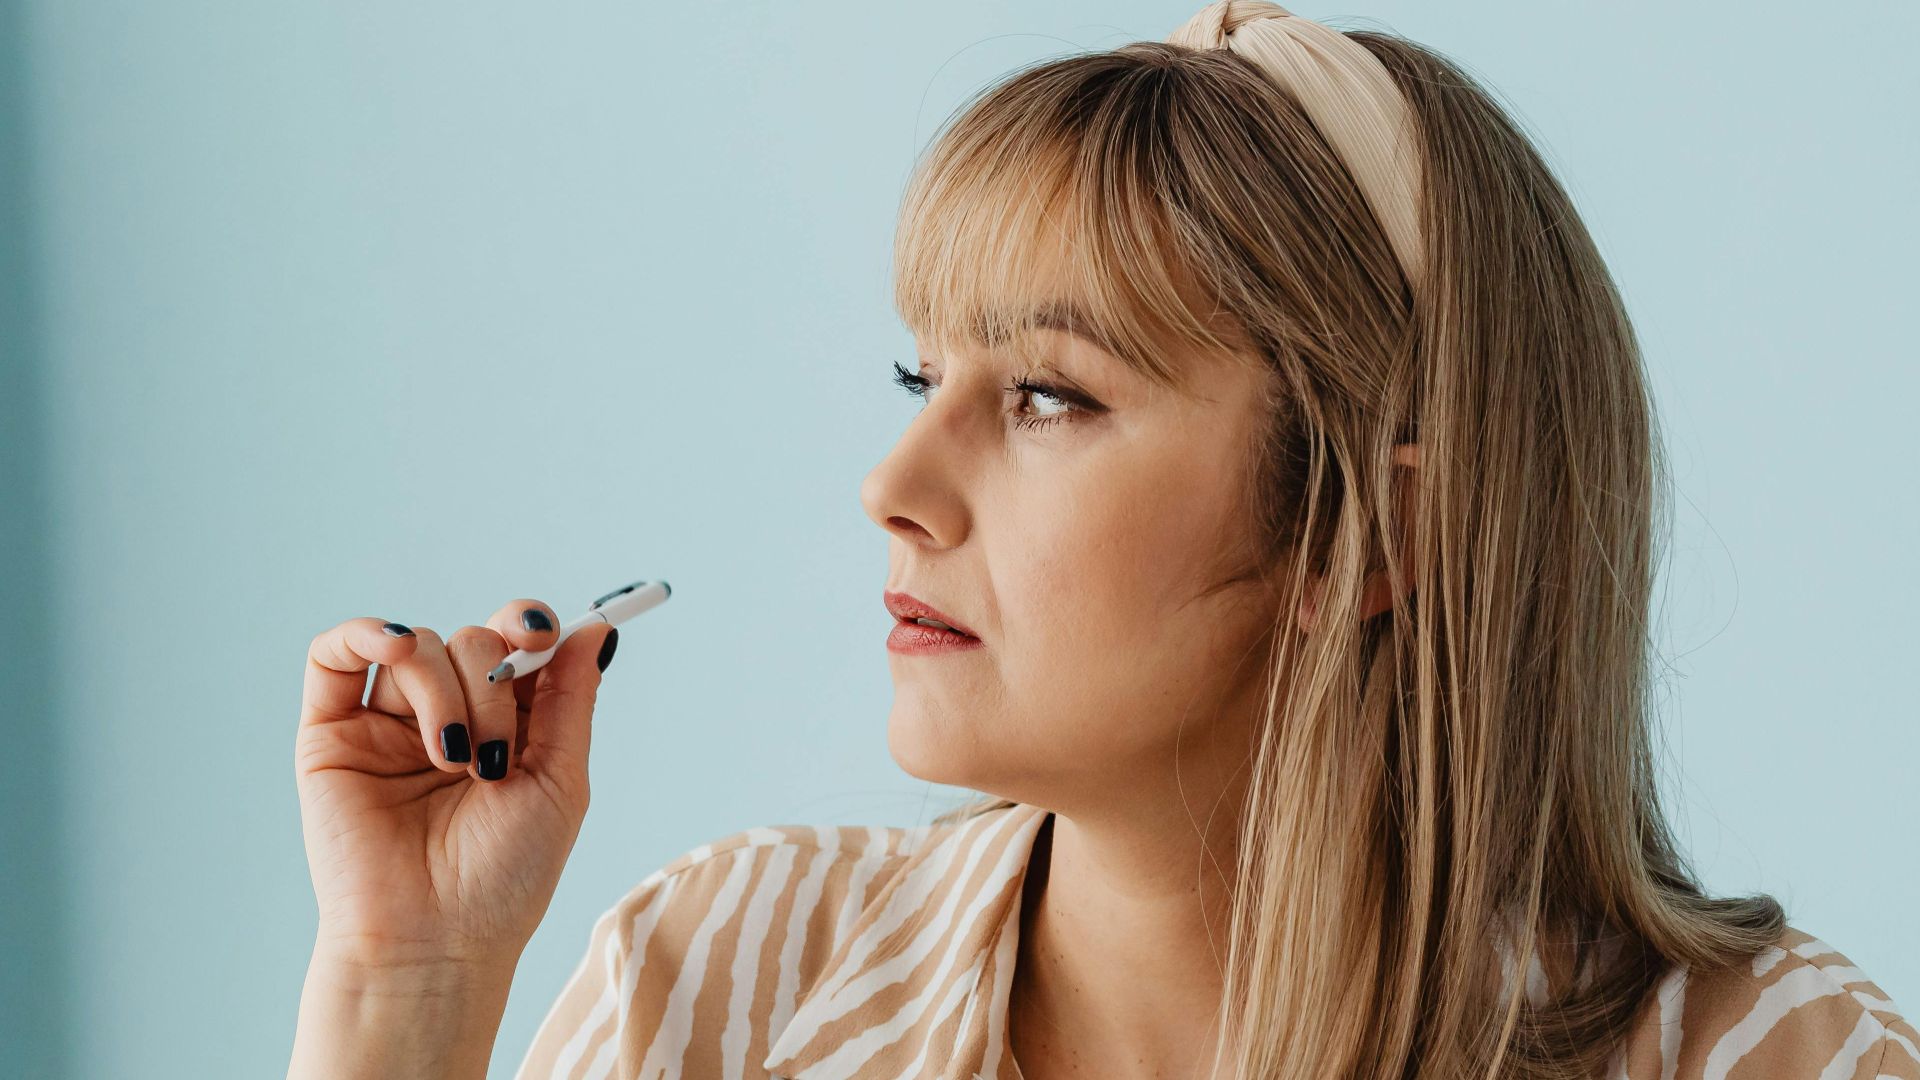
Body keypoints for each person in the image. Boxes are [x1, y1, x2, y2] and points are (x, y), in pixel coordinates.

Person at [285, 2, 1917, 1078]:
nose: (893, 480)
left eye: (1051, 394)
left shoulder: (1776, 1061)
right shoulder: (716, 989)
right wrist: (403, 986)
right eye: (925, 373)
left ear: (1371, 528)